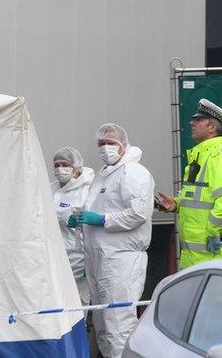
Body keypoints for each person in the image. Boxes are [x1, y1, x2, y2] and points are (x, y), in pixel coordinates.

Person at [69, 123, 154, 358]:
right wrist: (82, 220)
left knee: (119, 324)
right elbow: (95, 209)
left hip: (121, 261)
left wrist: (102, 219)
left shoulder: (133, 172)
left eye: (111, 143)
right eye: (101, 143)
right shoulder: (105, 175)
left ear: (123, 145)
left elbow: (138, 214)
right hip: (101, 260)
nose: (106, 147)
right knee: (103, 326)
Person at [155, 99, 222, 269]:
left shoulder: (219, 156)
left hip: (217, 257)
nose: (192, 122)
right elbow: (202, 198)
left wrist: (213, 232)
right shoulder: (202, 155)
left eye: (198, 120)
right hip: (200, 258)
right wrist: (177, 204)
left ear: (212, 127)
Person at [51, 146, 95, 305]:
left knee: (77, 303)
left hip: (78, 256)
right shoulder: (51, 189)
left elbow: (90, 221)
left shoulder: (87, 189)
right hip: (54, 254)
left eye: (65, 165)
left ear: (76, 168)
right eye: (56, 165)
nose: (60, 169)